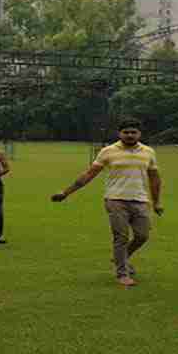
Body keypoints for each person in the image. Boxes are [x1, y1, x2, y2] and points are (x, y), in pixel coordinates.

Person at [51, 117, 163, 286]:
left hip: (140, 199)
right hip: (115, 199)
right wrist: (66, 192)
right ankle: (122, 274)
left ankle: (121, 257)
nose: (130, 135)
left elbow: (154, 178)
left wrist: (156, 202)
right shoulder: (108, 151)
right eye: (126, 132)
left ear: (139, 133)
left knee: (142, 235)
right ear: (120, 133)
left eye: (134, 132)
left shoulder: (148, 152)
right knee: (121, 237)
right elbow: (89, 174)